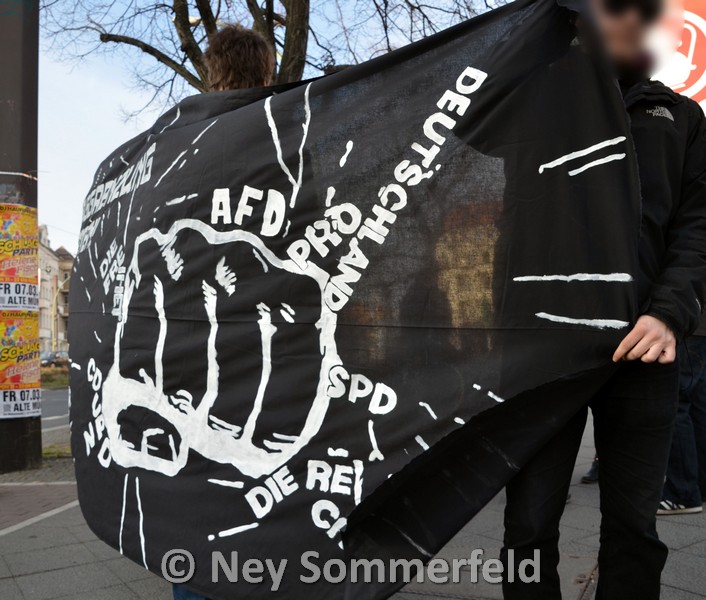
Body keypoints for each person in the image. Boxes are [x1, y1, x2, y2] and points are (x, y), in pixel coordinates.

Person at [500, 0, 706, 599]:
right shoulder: (530, 101)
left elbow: (697, 229)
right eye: (614, 6)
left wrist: (669, 314)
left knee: (634, 529)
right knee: (529, 527)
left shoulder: (681, 116)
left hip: (644, 352)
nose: (632, 19)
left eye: (645, 9)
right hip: (543, 352)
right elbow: (457, 124)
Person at [171, 22, 275, 600]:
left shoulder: (174, 147)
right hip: (259, 346)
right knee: (259, 506)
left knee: (195, 511)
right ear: (265, 72)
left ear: (212, 70)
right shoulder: (284, 134)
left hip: (188, 342)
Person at [659, 316, 706, 515]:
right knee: (697, 404)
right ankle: (698, 485)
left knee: (676, 404)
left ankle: (682, 493)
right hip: (699, 328)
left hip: (688, 326)